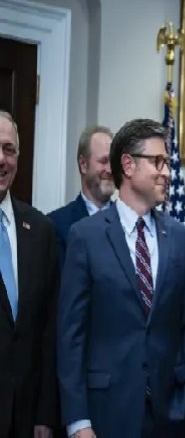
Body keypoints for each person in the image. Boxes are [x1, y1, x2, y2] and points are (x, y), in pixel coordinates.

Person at [57, 118, 185, 438]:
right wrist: (78, 421)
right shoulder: (85, 236)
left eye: (167, 162)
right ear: (128, 164)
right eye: (158, 161)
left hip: (170, 417)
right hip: (105, 415)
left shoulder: (178, 237)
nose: (167, 172)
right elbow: (71, 336)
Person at [0, 110, 59, 437]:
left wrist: (45, 415)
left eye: (9, 150)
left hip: (26, 418)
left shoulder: (40, 229)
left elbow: (49, 330)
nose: (1, 159)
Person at [48, 126, 114, 265]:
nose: (110, 170)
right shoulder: (56, 225)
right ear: (83, 164)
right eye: (103, 161)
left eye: (113, 162)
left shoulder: (128, 221)